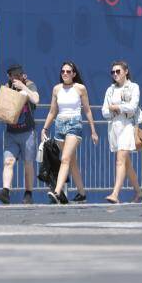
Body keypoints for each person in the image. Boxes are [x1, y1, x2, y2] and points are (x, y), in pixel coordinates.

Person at [41, 61, 98, 204]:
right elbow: (52, 111)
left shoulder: (80, 88)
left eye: (68, 71)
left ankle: (57, 192)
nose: (65, 73)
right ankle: (82, 193)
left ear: (74, 73)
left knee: (65, 159)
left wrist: (93, 131)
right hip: (59, 125)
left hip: (75, 124)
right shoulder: (56, 89)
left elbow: (87, 110)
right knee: (72, 162)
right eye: (63, 71)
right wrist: (44, 128)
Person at [0, 64, 40, 205]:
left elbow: (36, 99)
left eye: (19, 74)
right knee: (8, 161)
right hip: (11, 132)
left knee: (28, 164)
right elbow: (1, 109)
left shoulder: (29, 85)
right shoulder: (6, 87)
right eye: (14, 75)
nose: (16, 77)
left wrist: (23, 87)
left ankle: (28, 193)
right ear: (9, 76)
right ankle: (5, 191)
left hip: (27, 132)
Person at [101, 60, 142, 204]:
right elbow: (104, 111)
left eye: (118, 71)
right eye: (113, 72)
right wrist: (113, 109)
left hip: (128, 126)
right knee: (126, 163)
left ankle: (115, 194)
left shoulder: (133, 87)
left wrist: (116, 107)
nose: (115, 74)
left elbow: (133, 107)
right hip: (114, 127)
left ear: (125, 71)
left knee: (120, 160)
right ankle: (138, 191)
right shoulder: (110, 90)